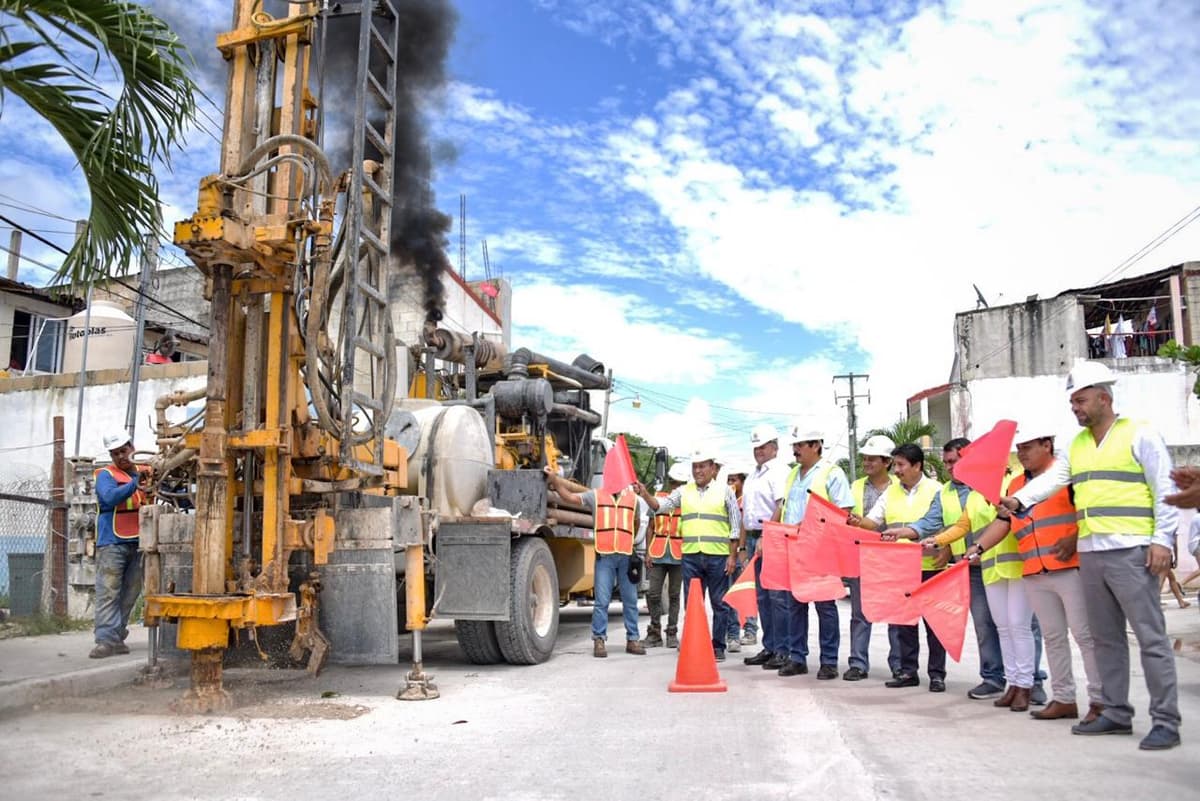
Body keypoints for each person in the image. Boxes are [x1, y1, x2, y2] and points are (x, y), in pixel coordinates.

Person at [1001, 361, 1181, 750]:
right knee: (1105, 639)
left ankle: (1165, 720)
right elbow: (1052, 481)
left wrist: (1162, 541)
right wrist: (1019, 499)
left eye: (1081, 401)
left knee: (1150, 638)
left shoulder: (1140, 435)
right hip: (1092, 554)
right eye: (1072, 403)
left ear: (1104, 398)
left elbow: (1165, 489)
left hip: (1133, 550)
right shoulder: (1077, 446)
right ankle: (1115, 713)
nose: (1075, 408)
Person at [944, 426, 1104, 722]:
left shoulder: (1064, 474)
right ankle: (1060, 697)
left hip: (1069, 565)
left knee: (1084, 636)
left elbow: (1089, 510)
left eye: (1028, 447)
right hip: (1034, 567)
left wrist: (1074, 538)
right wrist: (977, 547)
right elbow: (1004, 522)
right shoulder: (1017, 483)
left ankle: (1100, 701)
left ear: (1047, 444)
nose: (1022, 454)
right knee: (1053, 636)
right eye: (1019, 448)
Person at [938, 438, 1048, 705]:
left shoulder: (1012, 484)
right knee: (1002, 627)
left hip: (1019, 565)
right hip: (990, 568)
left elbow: (1009, 520)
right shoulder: (975, 494)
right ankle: (1012, 684)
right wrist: (935, 541)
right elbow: (962, 525)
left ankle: (1029, 684)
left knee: (1021, 627)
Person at [849, 443, 949, 692]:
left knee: (935, 625)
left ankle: (937, 674)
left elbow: (949, 523)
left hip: (931, 566)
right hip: (901, 569)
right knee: (904, 623)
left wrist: (947, 547)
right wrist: (856, 521)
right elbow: (872, 522)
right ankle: (907, 671)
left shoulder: (937, 490)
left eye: (902, 465)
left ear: (917, 466)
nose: (897, 471)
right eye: (895, 465)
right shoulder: (891, 492)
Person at [637, 447, 741, 662]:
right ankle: (695, 644)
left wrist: (733, 556)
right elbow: (661, 506)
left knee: (719, 603)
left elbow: (735, 526)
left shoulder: (725, 491)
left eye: (702, 466)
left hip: (718, 556)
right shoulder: (684, 492)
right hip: (691, 556)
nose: (698, 471)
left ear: (713, 468)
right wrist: (645, 494)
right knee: (693, 605)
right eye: (695, 467)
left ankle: (718, 646)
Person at [774, 426, 853, 679]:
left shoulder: (832, 473)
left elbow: (844, 513)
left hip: (822, 550)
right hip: (794, 548)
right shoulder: (792, 475)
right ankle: (797, 658)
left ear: (816, 445)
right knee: (794, 604)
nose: (795, 449)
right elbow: (787, 509)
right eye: (794, 445)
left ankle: (829, 661)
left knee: (825, 606)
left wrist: (809, 529)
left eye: (800, 444)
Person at [546, 468, 649, 658]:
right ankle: (599, 640)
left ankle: (633, 639)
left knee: (631, 601)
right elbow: (569, 497)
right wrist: (555, 479)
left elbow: (635, 523)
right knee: (601, 601)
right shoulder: (596, 496)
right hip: (605, 557)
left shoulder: (633, 499)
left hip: (626, 556)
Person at [90, 430, 149, 659]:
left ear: (131, 447)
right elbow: (109, 498)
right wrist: (135, 483)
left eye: (124, 451)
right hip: (112, 542)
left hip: (140, 541)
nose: (121, 457)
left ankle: (116, 637)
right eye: (116, 454)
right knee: (109, 592)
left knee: (130, 592)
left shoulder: (146, 472)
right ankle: (105, 640)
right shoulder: (105, 474)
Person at [843, 434, 897, 681]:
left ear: (886, 461)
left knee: (895, 615)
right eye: (864, 458)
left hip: (892, 558)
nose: (866, 462)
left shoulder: (899, 487)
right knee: (860, 614)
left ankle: (899, 665)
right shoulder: (855, 487)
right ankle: (858, 663)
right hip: (861, 556)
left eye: (872, 458)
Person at [739, 425, 789, 669]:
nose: (758, 451)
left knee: (777, 596)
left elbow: (781, 505)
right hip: (752, 537)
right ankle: (770, 646)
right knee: (762, 597)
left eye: (763, 446)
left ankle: (783, 649)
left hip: (771, 536)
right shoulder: (754, 474)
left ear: (774, 447)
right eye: (756, 447)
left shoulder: (779, 471)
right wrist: (743, 544)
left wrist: (767, 534)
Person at [641, 461, 688, 649]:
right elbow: (651, 528)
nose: (677, 486)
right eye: (674, 482)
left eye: (680, 483)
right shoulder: (658, 499)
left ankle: (671, 632)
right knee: (653, 594)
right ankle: (654, 632)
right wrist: (648, 552)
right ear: (670, 482)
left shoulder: (688, 501)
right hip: (658, 552)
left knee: (674, 595)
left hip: (679, 553)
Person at [724, 460, 751, 651]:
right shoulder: (726, 500)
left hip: (743, 552)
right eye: (728, 480)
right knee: (730, 595)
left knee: (747, 592)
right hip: (727, 552)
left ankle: (750, 629)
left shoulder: (748, 501)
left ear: (743, 481)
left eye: (734, 480)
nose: (730, 484)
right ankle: (732, 634)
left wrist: (743, 551)